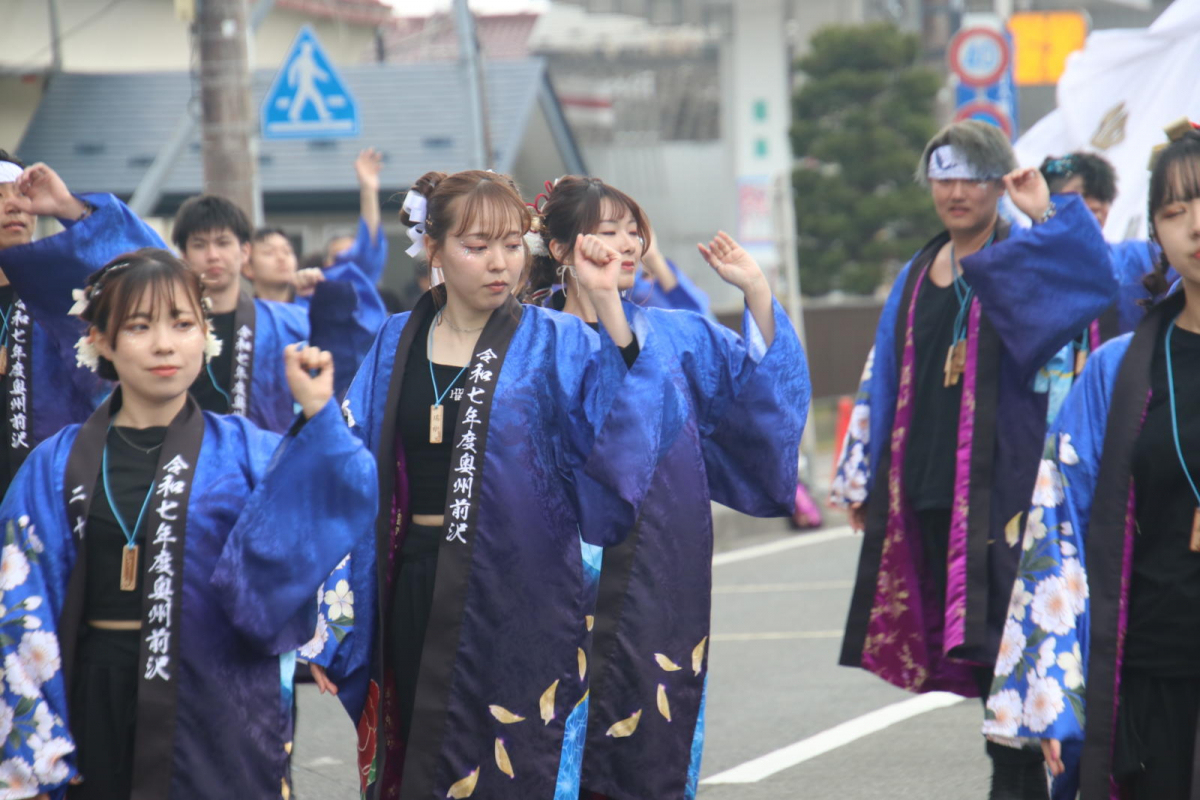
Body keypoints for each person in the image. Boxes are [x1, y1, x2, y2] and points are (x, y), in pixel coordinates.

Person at [306, 169, 679, 800]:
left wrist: (607, 302)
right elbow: (347, 471)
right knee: (417, 754)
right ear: (434, 248)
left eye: (511, 245)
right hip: (411, 577)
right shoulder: (396, 338)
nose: (499, 263)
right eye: (476, 247)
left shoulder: (556, 340)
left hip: (517, 587)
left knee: (509, 761)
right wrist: (332, 614)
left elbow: (635, 426)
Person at [0, 248, 375, 799]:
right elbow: (16, 604)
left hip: (212, 696)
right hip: (89, 695)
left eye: (182, 324)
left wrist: (319, 419)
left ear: (205, 334)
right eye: (139, 326)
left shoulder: (247, 451)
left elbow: (340, 495)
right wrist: (32, 753)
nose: (164, 344)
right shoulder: (53, 464)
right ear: (100, 339)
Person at [830, 120, 1117, 799]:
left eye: (973, 176)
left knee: (1009, 646)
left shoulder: (1021, 257)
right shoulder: (912, 273)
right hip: (929, 489)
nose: (956, 191)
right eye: (944, 175)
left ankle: (1016, 777)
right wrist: (861, 474)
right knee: (970, 647)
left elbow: (1093, 282)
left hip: (1005, 493)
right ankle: (1014, 769)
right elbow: (880, 375)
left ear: (996, 183)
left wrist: (1042, 207)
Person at [526, 175, 809, 800]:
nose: (626, 246)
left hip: (659, 561)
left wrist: (757, 291)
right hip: (553, 564)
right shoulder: (525, 338)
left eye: (633, 232)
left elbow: (762, 404)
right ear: (561, 246)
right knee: (548, 729)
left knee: (650, 724)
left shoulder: (679, 334)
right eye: (607, 233)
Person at [985, 119, 1200, 800]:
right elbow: (1061, 528)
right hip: (1153, 668)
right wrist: (1053, 694)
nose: (1196, 225)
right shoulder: (1116, 372)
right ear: (1154, 237)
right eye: (1175, 211)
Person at [0, 155, 165, 497]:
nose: (13, 207)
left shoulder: (68, 286)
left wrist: (68, 206)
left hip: (56, 490)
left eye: (20, 195)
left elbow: (160, 273)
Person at [170, 194, 379, 424]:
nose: (213, 256)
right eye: (199, 245)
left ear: (245, 252)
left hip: (268, 454)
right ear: (183, 255)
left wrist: (328, 302)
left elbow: (355, 355)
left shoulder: (290, 321)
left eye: (223, 242)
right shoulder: (168, 330)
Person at [1040, 152, 1164, 338]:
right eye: (1081, 197)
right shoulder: (1024, 268)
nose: (1096, 207)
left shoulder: (1138, 258)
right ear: (1047, 203)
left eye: (1103, 197)